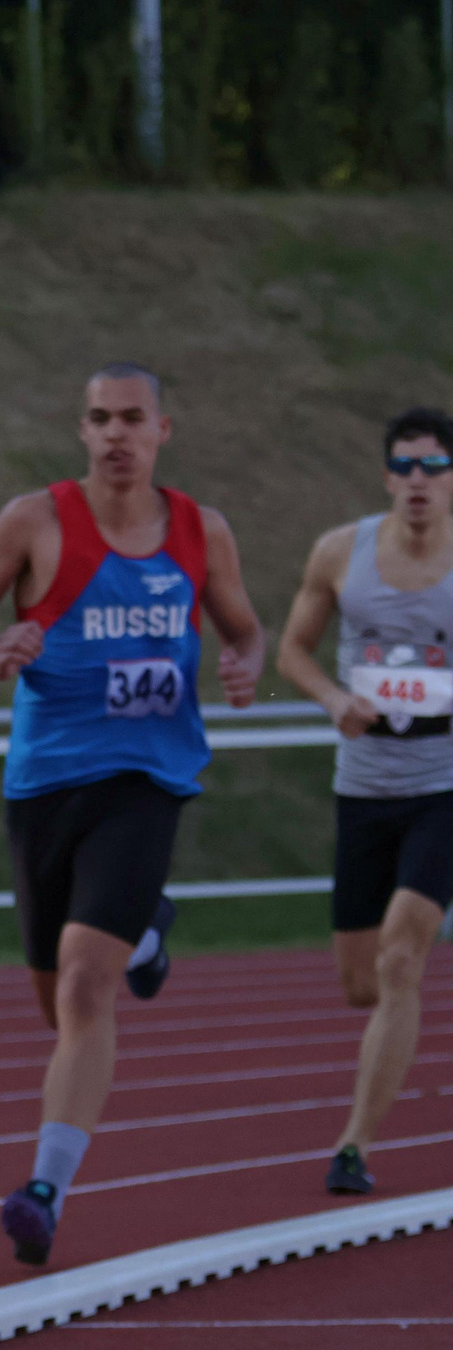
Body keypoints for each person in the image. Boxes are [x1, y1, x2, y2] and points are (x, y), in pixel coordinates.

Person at [0, 365, 263, 1266]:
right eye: (101, 419)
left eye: (133, 418)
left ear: (163, 429)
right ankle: (145, 932)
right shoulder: (34, 521)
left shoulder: (201, 531)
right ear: (83, 430)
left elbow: (243, 626)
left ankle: (44, 1190)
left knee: (85, 984)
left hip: (145, 778)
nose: (116, 434)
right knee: (57, 1002)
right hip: (46, 784)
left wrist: (245, 662)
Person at [276, 406, 453, 1197]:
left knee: (402, 953)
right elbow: (292, 650)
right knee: (362, 982)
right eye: (405, 466)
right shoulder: (340, 552)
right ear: (386, 475)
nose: (418, 480)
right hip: (365, 788)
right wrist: (333, 698)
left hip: (443, 788)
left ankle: (354, 1144)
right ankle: (397, 1024)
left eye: (434, 466)